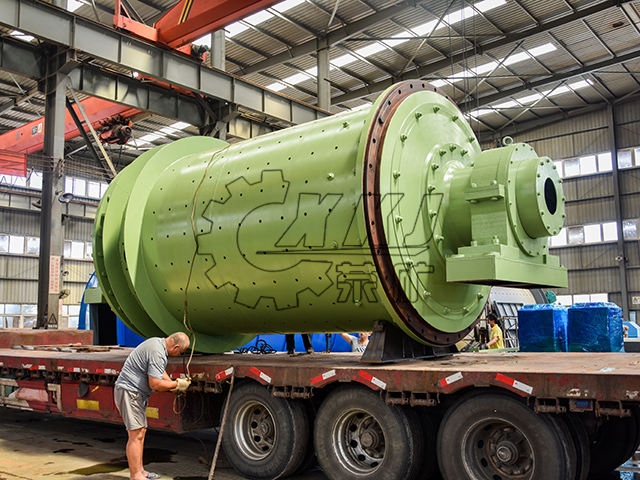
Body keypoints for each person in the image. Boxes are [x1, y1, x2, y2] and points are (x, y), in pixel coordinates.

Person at [114, 332, 191, 480]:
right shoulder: (158, 353)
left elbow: (158, 371)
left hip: (134, 393)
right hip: (130, 392)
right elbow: (154, 384)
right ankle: (136, 476)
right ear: (175, 347)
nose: (178, 355)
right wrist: (177, 384)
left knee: (140, 433)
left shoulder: (157, 343)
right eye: (180, 352)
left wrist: (172, 385)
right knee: (136, 435)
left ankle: (140, 471)